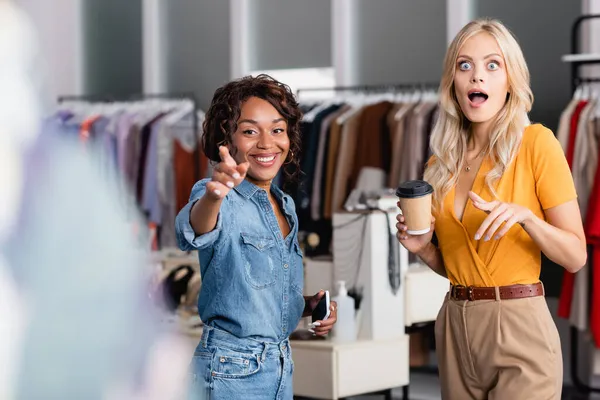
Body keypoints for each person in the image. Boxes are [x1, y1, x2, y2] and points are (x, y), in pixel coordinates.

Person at [396, 19, 587, 399]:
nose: (476, 77)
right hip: (454, 324)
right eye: (464, 66)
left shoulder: (536, 144)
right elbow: (460, 265)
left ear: (510, 81)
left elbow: (575, 256)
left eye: (492, 65)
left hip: (518, 326)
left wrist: (528, 218)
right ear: (454, 81)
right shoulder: (440, 165)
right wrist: (424, 251)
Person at [175, 74, 338, 400]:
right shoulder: (220, 196)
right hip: (229, 370)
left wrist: (308, 306)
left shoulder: (285, 204)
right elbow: (193, 230)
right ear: (227, 139)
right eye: (250, 131)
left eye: (277, 130)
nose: (266, 143)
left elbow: (260, 295)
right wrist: (214, 195)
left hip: (278, 365)